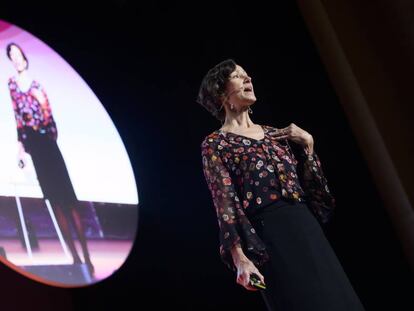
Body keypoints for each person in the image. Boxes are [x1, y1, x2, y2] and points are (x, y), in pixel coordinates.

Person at [198, 59, 366, 310]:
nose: (248, 79)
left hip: (306, 228)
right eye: (238, 76)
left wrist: (308, 145)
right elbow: (225, 205)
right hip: (272, 239)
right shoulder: (215, 145)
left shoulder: (277, 135)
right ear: (222, 92)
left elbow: (320, 200)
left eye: (248, 74)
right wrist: (240, 258)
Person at [6, 42, 95, 276]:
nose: (16, 58)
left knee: (68, 200)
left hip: (49, 145)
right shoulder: (12, 85)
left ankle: (86, 257)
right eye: (11, 55)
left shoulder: (37, 83)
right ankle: (75, 258)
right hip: (35, 148)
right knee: (55, 202)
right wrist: (21, 147)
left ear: (24, 56)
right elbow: (17, 117)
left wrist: (46, 136)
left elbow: (49, 116)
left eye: (17, 53)